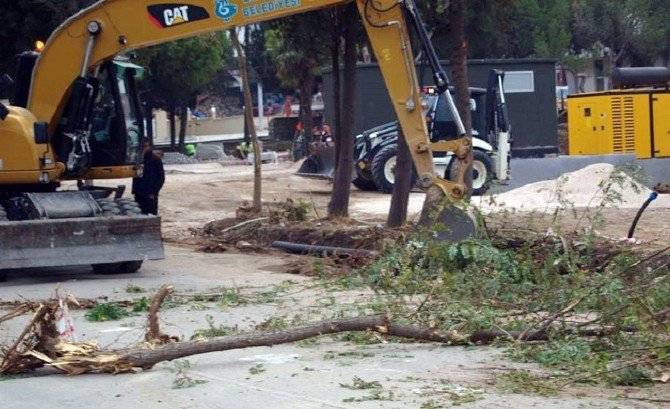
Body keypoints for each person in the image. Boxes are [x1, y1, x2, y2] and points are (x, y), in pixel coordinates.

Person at [132, 140, 165, 215]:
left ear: (150, 147)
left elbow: (161, 178)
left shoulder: (155, 159)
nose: (144, 148)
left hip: (150, 193)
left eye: (145, 146)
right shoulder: (138, 159)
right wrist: (134, 191)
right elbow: (135, 175)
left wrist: (154, 192)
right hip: (139, 194)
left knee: (151, 213)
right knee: (140, 214)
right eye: (142, 146)